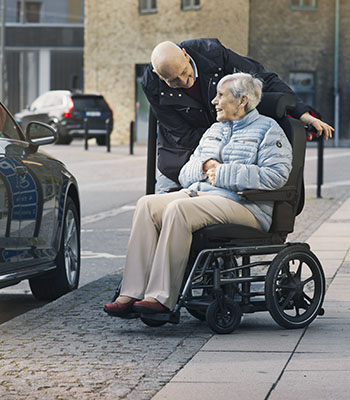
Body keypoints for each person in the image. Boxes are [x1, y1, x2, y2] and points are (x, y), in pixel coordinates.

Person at [104, 72, 293, 317]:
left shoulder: (268, 130)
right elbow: (185, 174)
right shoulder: (215, 130)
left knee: (179, 209)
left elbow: (277, 176)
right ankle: (131, 292)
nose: (214, 101)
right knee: (147, 205)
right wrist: (205, 167)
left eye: (220, 95)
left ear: (242, 100)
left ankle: (161, 297)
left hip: (246, 206)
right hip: (202, 196)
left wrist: (223, 173)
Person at [142, 38, 334, 192]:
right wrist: (210, 159)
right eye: (174, 81)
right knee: (160, 206)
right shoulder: (152, 84)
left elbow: (262, 78)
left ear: (185, 55)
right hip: (183, 151)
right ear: (159, 76)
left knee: (190, 209)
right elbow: (181, 133)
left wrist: (302, 113)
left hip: (227, 145)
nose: (185, 81)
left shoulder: (212, 53)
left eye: (185, 72)